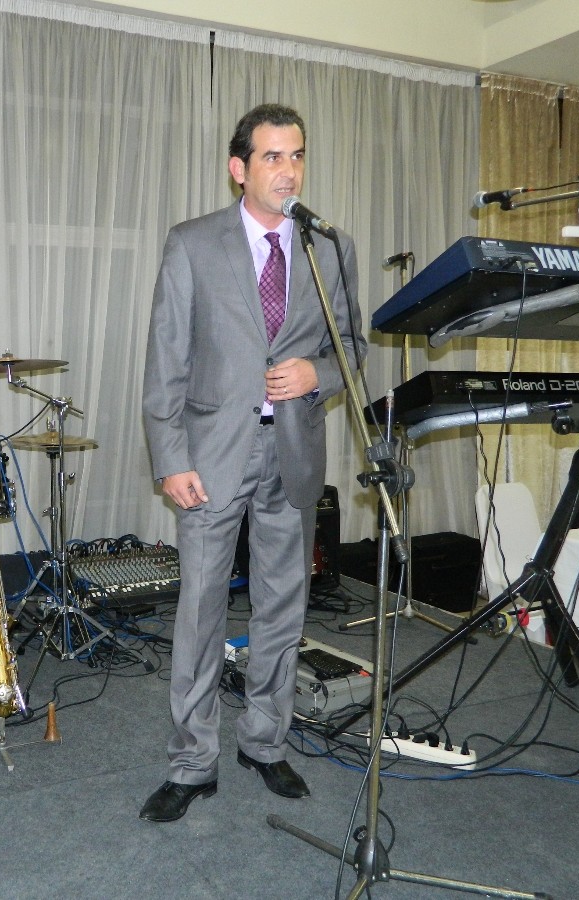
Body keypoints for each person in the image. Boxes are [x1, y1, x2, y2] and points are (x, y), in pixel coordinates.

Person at [139, 103, 366, 823]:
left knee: (282, 609)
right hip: (211, 455)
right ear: (239, 168)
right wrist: (170, 457)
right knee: (201, 610)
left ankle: (265, 743)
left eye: (296, 155)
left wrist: (316, 374)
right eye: (272, 156)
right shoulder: (192, 243)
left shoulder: (328, 247)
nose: (288, 170)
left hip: (292, 451)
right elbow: (166, 360)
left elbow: (353, 348)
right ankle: (191, 761)